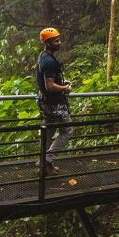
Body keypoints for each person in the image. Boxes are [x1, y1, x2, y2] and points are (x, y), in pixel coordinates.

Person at [36, 28, 73, 174]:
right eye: (56, 40)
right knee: (67, 130)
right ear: (47, 43)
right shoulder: (49, 61)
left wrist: (62, 83)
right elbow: (50, 86)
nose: (59, 42)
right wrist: (65, 88)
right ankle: (47, 160)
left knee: (49, 131)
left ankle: (45, 164)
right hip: (55, 103)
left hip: (46, 102)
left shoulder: (43, 56)